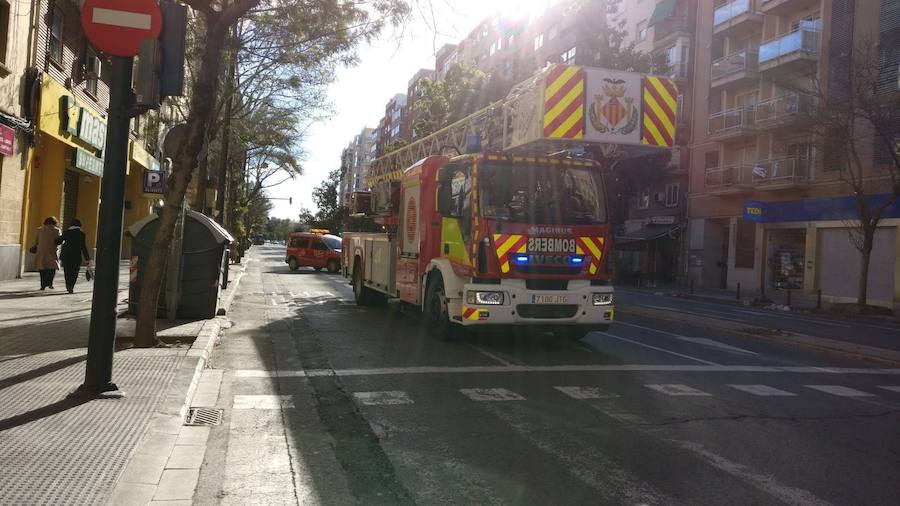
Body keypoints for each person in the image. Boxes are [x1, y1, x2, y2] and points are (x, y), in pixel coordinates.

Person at [59, 218, 91, 294]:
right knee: (75, 271)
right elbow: (83, 246)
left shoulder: (66, 232)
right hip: (76, 255)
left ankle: (68, 285)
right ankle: (71, 286)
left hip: (66, 254)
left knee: (67, 271)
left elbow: (59, 241)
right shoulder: (81, 234)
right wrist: (87, 257)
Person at [33, 216, 61, 290]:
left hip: (41, 250)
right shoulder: (57, 230)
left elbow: (36, 240)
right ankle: (50, 283)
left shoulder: (39, 230)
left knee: (42, 268)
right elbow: (59, 241)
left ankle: (43, 285)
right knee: (52, 268)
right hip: (52, 250)